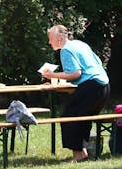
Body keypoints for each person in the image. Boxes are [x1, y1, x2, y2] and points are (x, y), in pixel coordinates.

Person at [43, 24, 111, 162]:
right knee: (82, 118)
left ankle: (78, 155)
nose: (49, 42)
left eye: (50, 39)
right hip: (104, 86)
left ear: (60, 38)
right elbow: (97, 62)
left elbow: (75, 73)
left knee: (69, 117)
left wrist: (52, 75)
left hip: (92, 86)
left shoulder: (66, 50)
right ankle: (83, 153)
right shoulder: (80, 44)